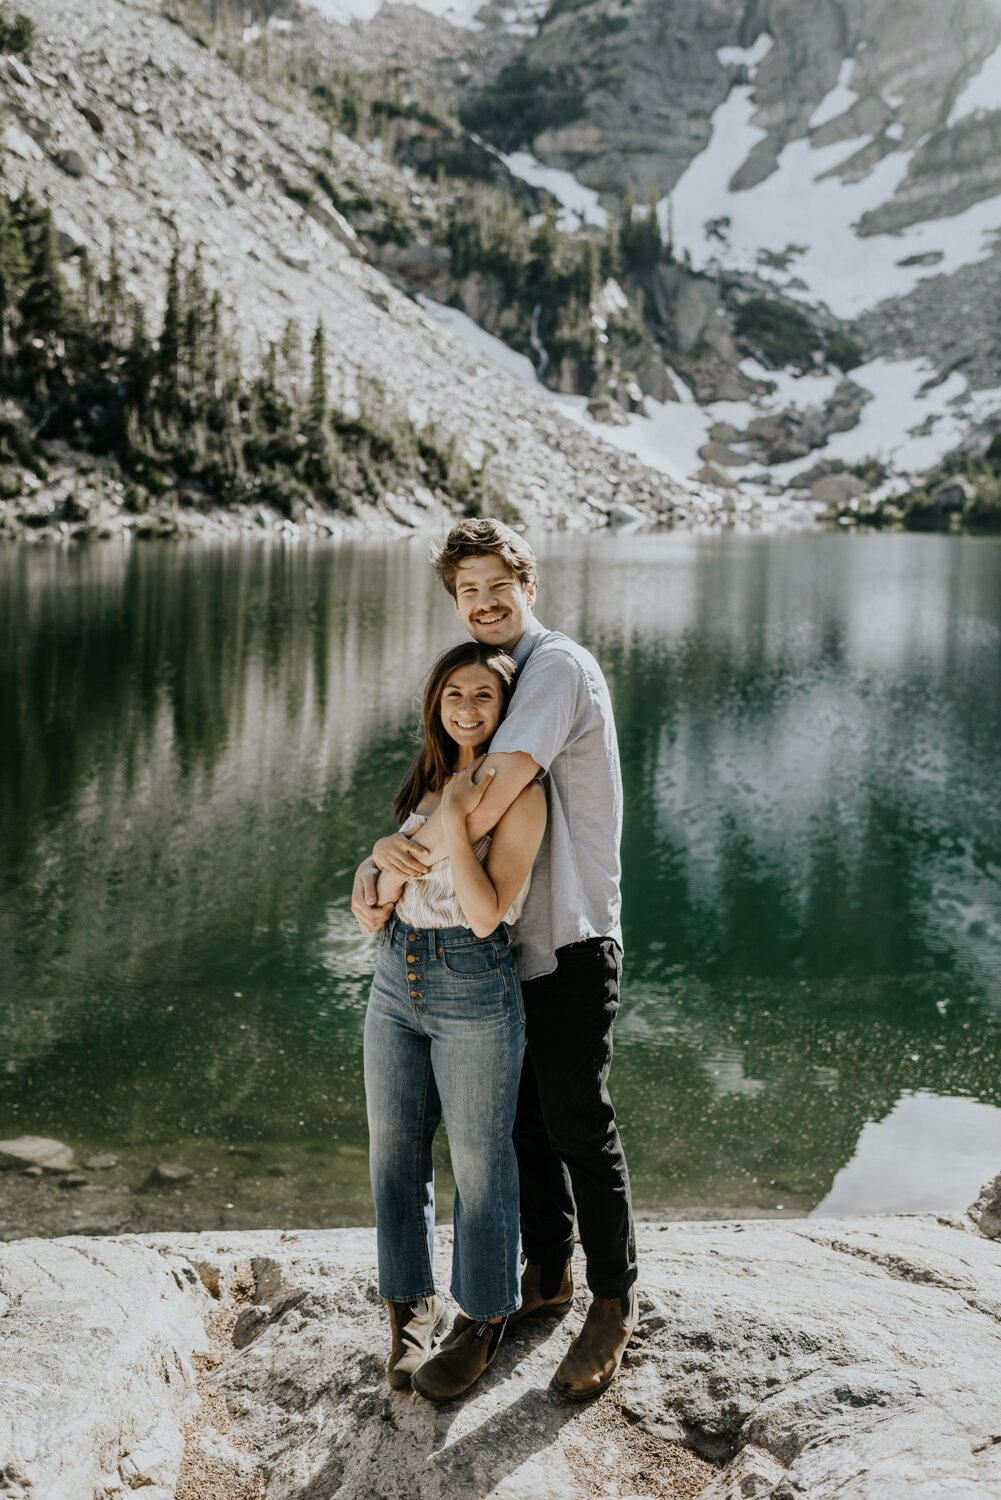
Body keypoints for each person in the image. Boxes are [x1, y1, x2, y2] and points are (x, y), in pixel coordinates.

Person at [353, 518, 638, 1403]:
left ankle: (611, 1301)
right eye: (465, 592)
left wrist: (393, 862)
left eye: (494, 586)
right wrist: (382, 860)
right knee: (516, 1125)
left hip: (569, 935)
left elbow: (497, 784)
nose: (482, 604)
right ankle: (544, 1274)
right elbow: (457, 776)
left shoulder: (552, 667)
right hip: (501, 949)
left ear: (529, 582)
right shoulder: (501, 676)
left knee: (574, 1117)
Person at [362, 639, 547, 1403]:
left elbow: (481, 915)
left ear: (507, 710)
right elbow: (387, 882)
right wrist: (378, 855)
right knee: (394, 1153)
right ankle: (409, 1307)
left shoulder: (521, 793)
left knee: (478, 1162)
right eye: (453, 696)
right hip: (395, 973)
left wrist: (459, 816)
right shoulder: (430, 776)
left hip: (473, 980)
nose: (467, 709)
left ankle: (484, 1316)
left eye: (483, 697)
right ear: (435, 706)